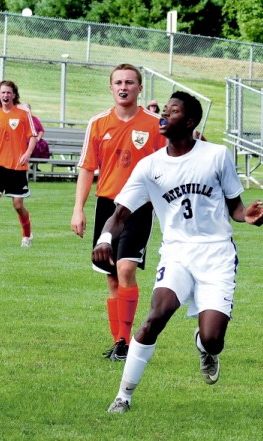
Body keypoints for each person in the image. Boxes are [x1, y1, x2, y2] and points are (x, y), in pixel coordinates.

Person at [96, 91, 263, 414]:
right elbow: (121, 212)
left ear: (189, 122)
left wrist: (247, 216)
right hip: (177, 254)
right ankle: (124, 395)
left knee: (213, 337)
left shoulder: (217, 155)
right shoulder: (149, 166)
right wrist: (105, 239)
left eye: (172, 112)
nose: (164, 115)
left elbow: (236, 207)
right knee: (156, 316)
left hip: (217, 256)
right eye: (163, 110)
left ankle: (206, 348)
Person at [70, 63, 164, 362]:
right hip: (106, 205)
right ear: (111, 88)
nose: (124, 87)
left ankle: (126, 343)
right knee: (111, 277)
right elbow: (87, 168)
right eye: (118, 82)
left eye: (130, 82)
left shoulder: (154, 124)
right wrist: (78, 210)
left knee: (126, 268)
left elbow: (168, 165)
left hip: (139, 206)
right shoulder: (98, 123)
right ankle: (120, 341)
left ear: (140, 88)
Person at [0, 81, 37, 247]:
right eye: (2, 92)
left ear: (14, 95)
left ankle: (27, 235)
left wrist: (27, 154)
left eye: (8, 92)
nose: (5, 95)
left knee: (18, 205)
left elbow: (33, 136)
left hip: (17, 166)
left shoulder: (23, 112)